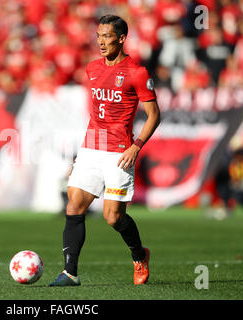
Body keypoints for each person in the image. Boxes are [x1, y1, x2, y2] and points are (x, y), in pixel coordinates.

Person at [49, 15, 160, 287]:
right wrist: (81, 152)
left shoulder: (137, 72)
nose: (100, 42)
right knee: (74, 204)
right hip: (91, 148)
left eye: (107, 36)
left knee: (113, 217)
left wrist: (136, 146)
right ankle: (70, 273)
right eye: (98, 36)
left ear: (121, 38)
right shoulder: (92, 69)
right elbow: (97, 115)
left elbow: (154, 115)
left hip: (119, 152)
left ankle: (138, 254)